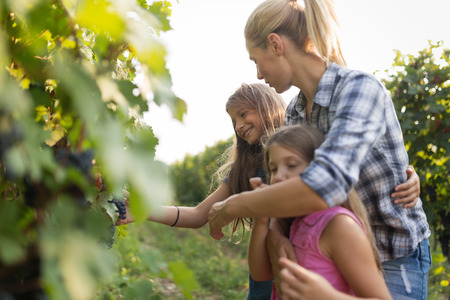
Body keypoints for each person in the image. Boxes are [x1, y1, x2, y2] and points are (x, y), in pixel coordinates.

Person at [207, 1, 431, 299]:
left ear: (275, 44)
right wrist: (274, 235)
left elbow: (326, 184)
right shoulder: (295, 114)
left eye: (256, 60)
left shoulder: (358, 89)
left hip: (391, 253)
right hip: (329, 250)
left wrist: (236, 206)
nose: (259, 74)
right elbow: (292, 201)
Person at [118, 82, 286, 299]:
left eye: (244, 114)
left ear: (268, 107)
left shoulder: (293, 155)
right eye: (234, 121)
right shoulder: (244, 169)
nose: (239, 126)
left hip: (299, 263)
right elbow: (199, 215)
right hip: (263, 269)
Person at [248, 124, 392, 299]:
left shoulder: (339, 225)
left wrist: (327, 296)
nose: (278, 176)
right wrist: (261, 219)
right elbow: (260, 274)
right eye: (273, 169)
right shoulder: (292, 222)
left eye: (292, 165)